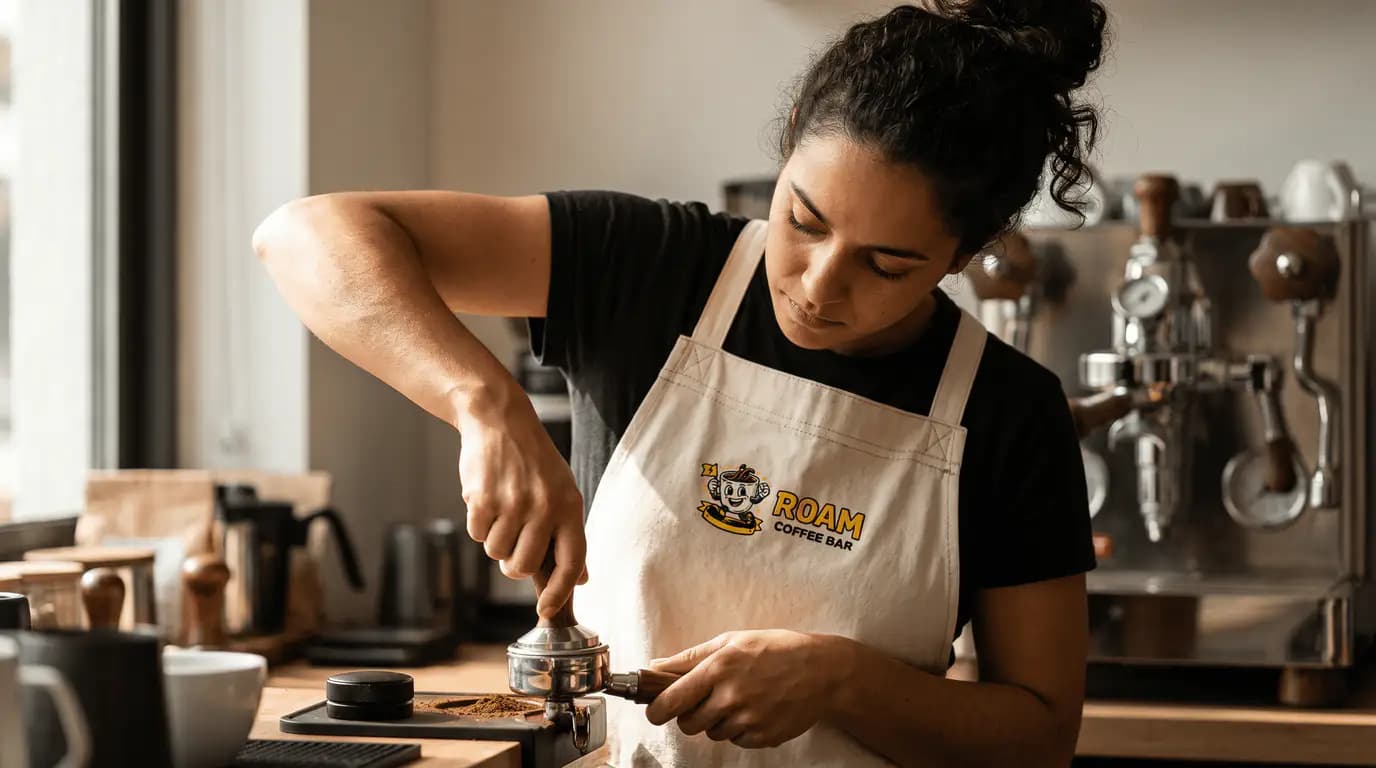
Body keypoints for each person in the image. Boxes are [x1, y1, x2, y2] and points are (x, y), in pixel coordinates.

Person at [254, 1, 1108, 765]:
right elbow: (305, 234)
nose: (816, 285)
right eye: (802, 220)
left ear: (965, 253)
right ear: (789, 141)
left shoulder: (1008, 415)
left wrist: (846, 683)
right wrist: (482, 403)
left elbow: (1036, 739)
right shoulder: (651, 268)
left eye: (887, 265)